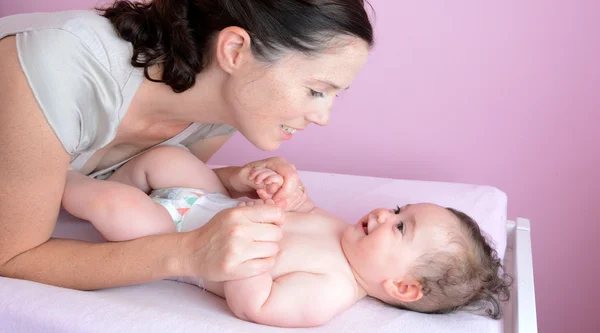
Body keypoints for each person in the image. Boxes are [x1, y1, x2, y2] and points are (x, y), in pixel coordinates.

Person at [0, 0, 373, 290]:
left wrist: (231, 181)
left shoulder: (221, 112)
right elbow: (12, 256)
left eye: (333, 96)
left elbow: (134, 183)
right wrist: (188, 254)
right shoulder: (64, 66)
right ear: (234, 50)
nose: (323, 116)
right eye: (315, 90)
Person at [65, 145, 511, 328]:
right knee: (168, 157)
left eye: (399, 226)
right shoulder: (343, 234)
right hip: (208, 201)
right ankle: (107, 174)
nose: (382, 213)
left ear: (404, 287)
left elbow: (252, 305)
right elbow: (303, 210)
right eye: (397, 210)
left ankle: (50, 182)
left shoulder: (329, 293)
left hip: (176, 236)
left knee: (115, 208)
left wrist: (255, 243)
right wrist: (281, 193)